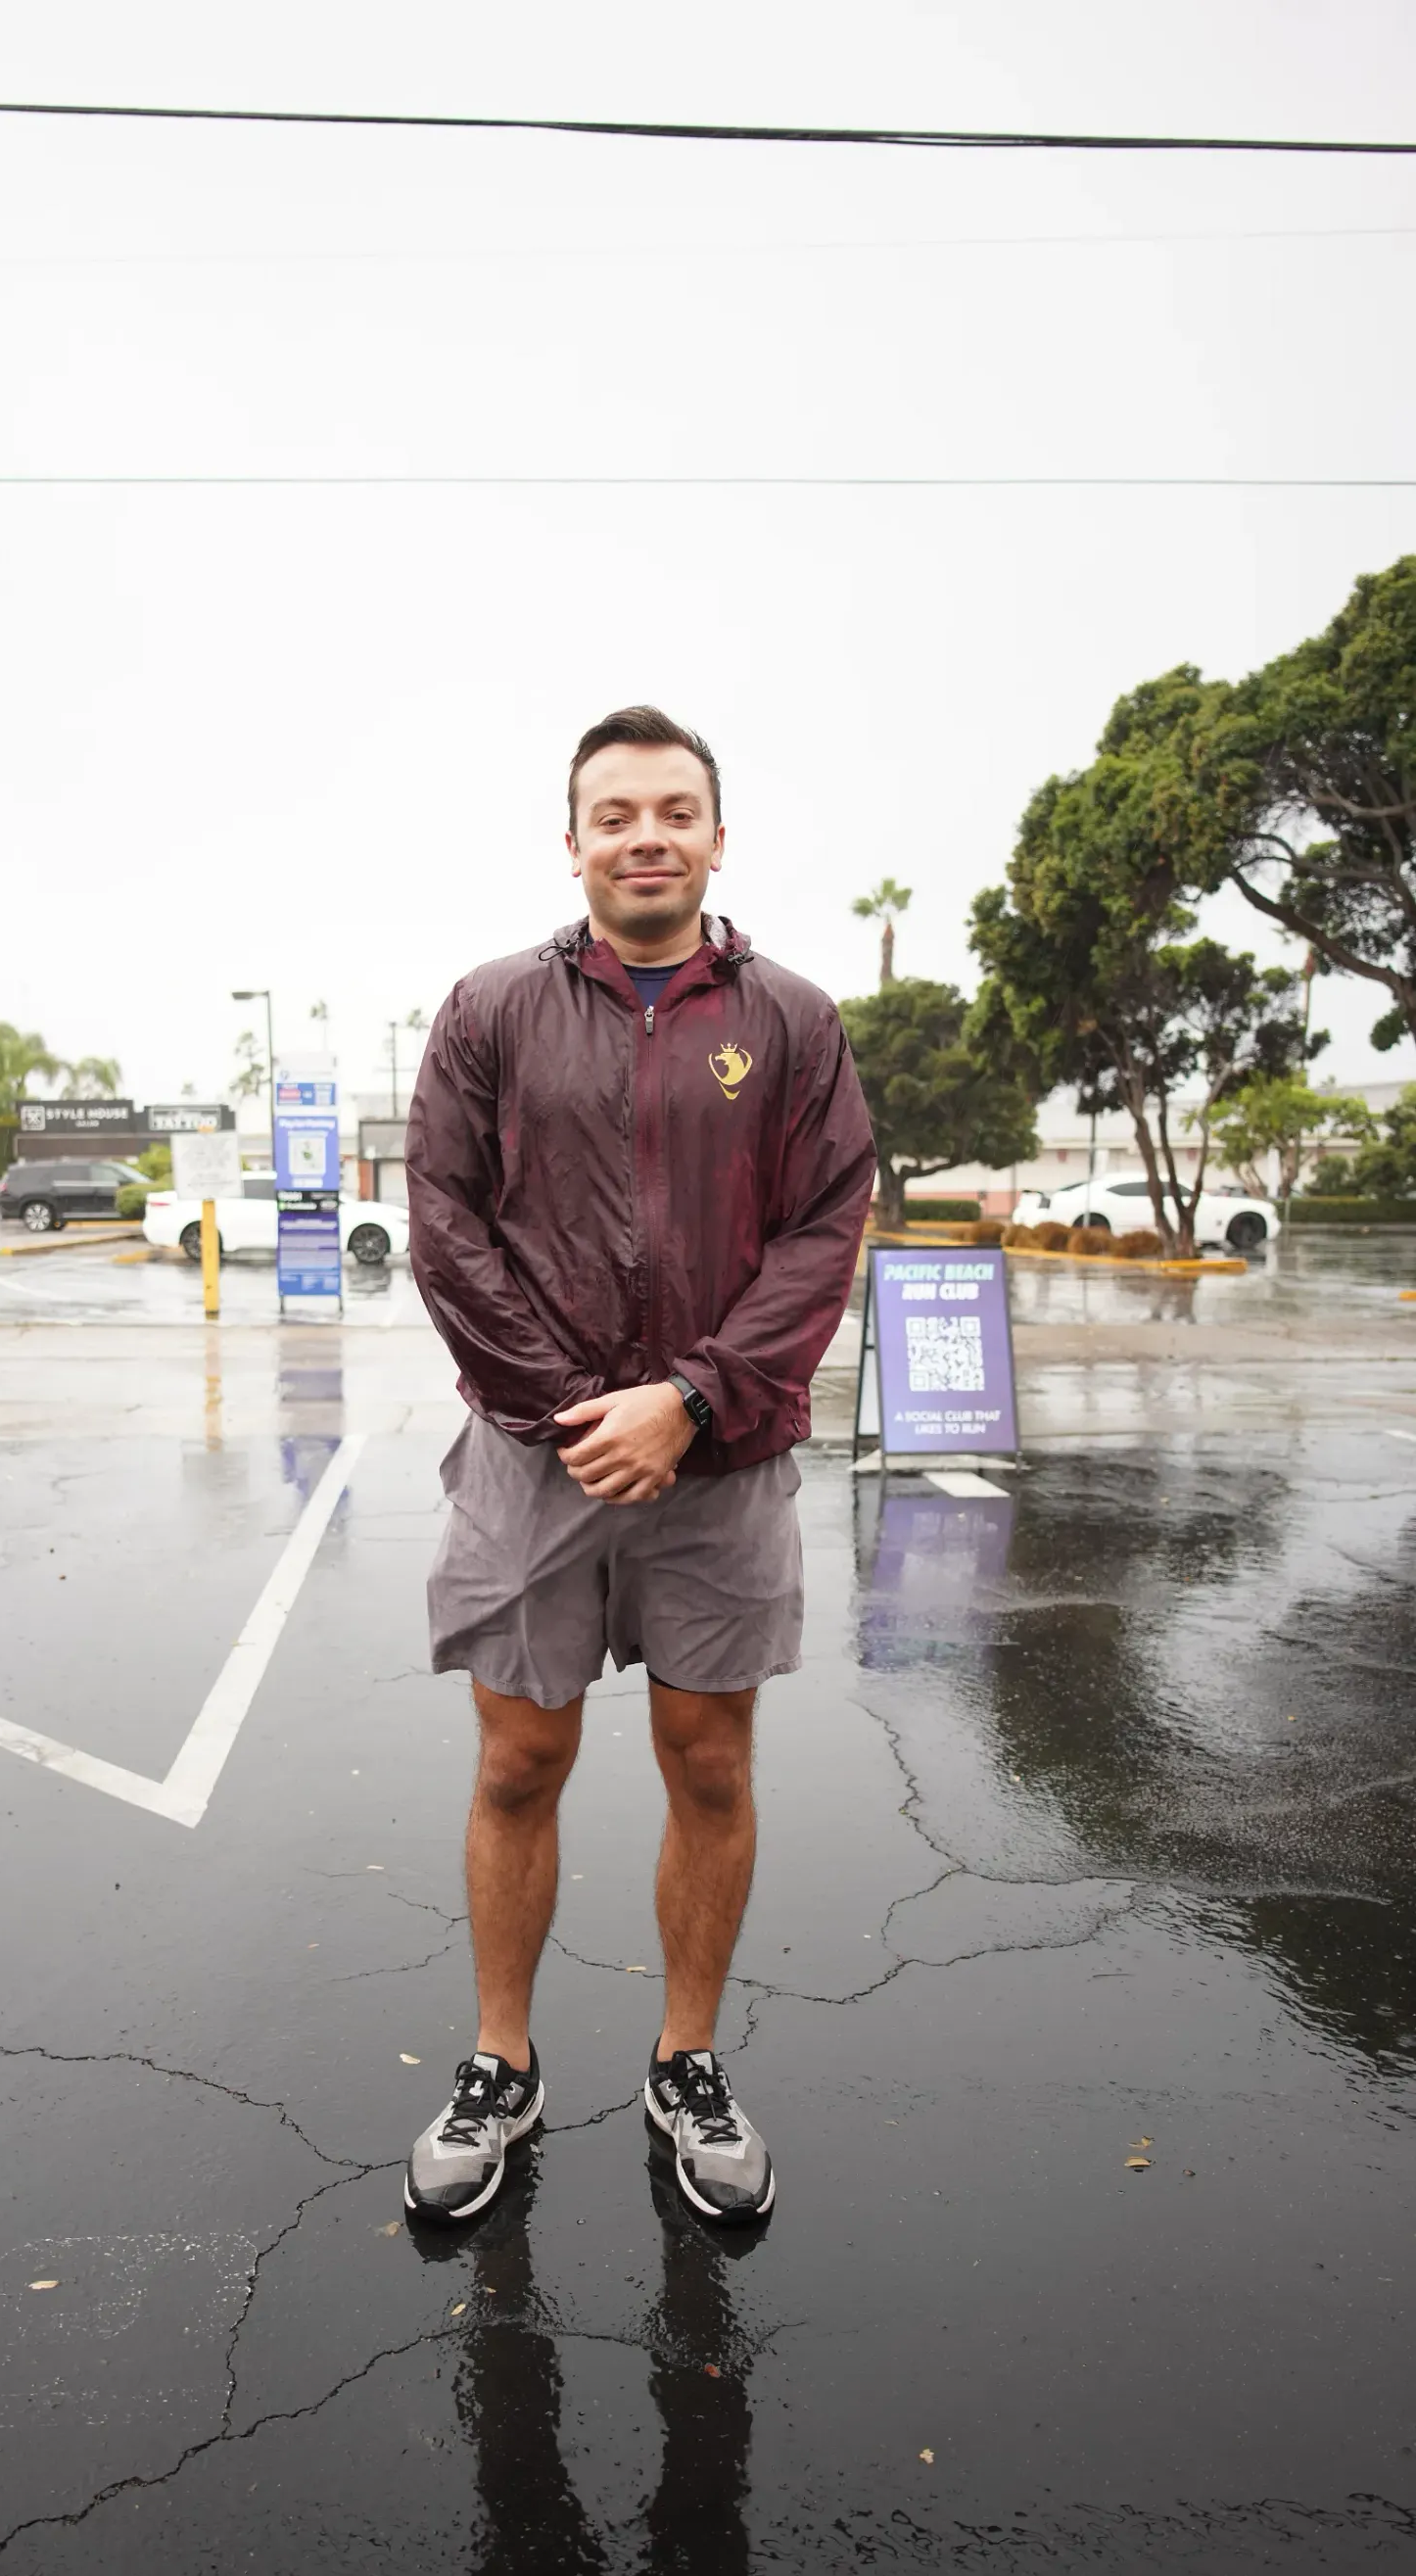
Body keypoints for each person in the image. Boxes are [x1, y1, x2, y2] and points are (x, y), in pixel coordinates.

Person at [402, 704, 874, 2226]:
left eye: (675, 810)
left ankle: (688, 2061)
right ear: (574, 844)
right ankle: (501, 2062)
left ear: (717, 838)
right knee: (515, 1764)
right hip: (534, 1460)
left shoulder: (790, 1021)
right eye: (616, 814)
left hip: (719, 1464)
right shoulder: (490, 1010)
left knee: (710, 1763)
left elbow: (826, 1229)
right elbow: (445, 1225)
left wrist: (688, 1398)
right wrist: (577, 1413)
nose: (647, 836)